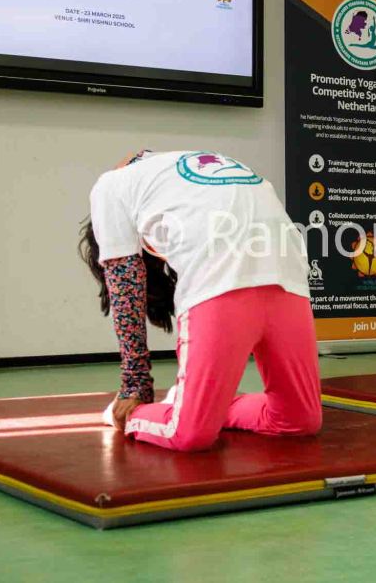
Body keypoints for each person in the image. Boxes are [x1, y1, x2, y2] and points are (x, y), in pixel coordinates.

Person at [80, 150, 321, 451]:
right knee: (192, 435)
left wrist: (134, 385)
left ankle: (179, 409)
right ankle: (164, 411)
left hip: (284, 276)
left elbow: (124, 288)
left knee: (299, 420)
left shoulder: (110, 183)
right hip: (241, 275)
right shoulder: (181, 168)